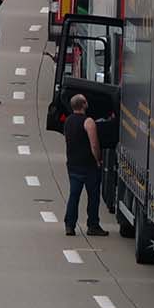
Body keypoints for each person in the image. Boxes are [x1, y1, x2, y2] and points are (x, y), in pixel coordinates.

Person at [62, 94, 108, 236]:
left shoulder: (68, 121)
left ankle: (70, 225)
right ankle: (93, 225)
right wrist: (98, 159)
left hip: (73, 164)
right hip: (88, 165)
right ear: (84, 104)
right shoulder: (88, 122)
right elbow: (94, 144)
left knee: (74, 195)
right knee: (93, 197)